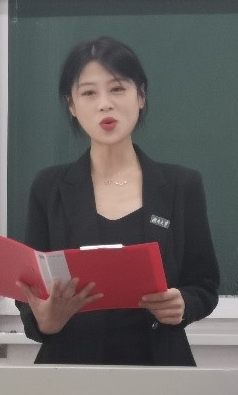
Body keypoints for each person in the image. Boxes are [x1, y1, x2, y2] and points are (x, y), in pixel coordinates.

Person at [16, 37, 219, 366]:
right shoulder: (49, 187)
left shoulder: (182, 186)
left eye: (117, 89)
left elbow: (204, 285)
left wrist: (183, 304)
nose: (104, 104)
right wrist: (45, 322)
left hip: (160, 369)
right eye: (88, 93)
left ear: (140, 96)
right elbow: (30, 294)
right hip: (71, 369)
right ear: (71, 105)